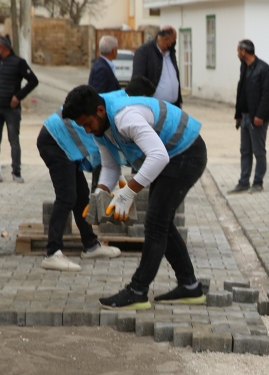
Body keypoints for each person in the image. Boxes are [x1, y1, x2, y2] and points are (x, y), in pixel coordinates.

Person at [62, 85, 207, 310]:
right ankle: (189, 286)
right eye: (83, 127)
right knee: (162, 222)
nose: (88, 131)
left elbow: (158, 156)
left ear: (100, 110)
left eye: (87, 124)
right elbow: (110, 167)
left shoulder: (125, 118)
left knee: (155, 223)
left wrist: (128, 192)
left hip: (186, 153)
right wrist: (100, 192)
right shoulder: (101, 128)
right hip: (171, 155)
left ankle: (137, 291)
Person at [37, 111, 121, 271]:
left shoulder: (117, 111)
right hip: (55, 140)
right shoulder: (117, 114)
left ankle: (90, 246)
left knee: (81, 195)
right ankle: (52, 253)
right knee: (67, 197)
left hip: (67, 141)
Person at [227, 39, 269, 194]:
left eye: (238, 51)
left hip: (257, 118)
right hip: (244, 117)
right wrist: (238, 115)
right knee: (245, 151)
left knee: (259, 151)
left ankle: (258, 182)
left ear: (244, 52)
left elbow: (268, 95)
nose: (237, 53)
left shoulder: (264, 69)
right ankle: (243, 182)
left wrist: (260, 115)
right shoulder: (244, 67)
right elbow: (242, 92)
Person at [0, 34, 38, 184]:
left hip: (11, 109)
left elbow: (33, 81)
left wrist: (18, 96)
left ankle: (16, 172)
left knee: (14, 140)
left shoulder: (18, 62)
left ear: (1, 47)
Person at [87, 35, 122, 192]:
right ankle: (98, 191)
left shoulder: (102, 65)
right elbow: (98, 96)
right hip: (102, 121)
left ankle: (100, 189)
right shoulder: (101, 68)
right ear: (114, 50)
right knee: (103, 159)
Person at [132, 26, 183, 107]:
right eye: (174, 40)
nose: (174, 43)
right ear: (166, 39)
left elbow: (175, 77)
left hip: (174, 107)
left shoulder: (171, 53)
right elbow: (138, 80)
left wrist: (179, 100)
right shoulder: (144, 52)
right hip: (154, 107)